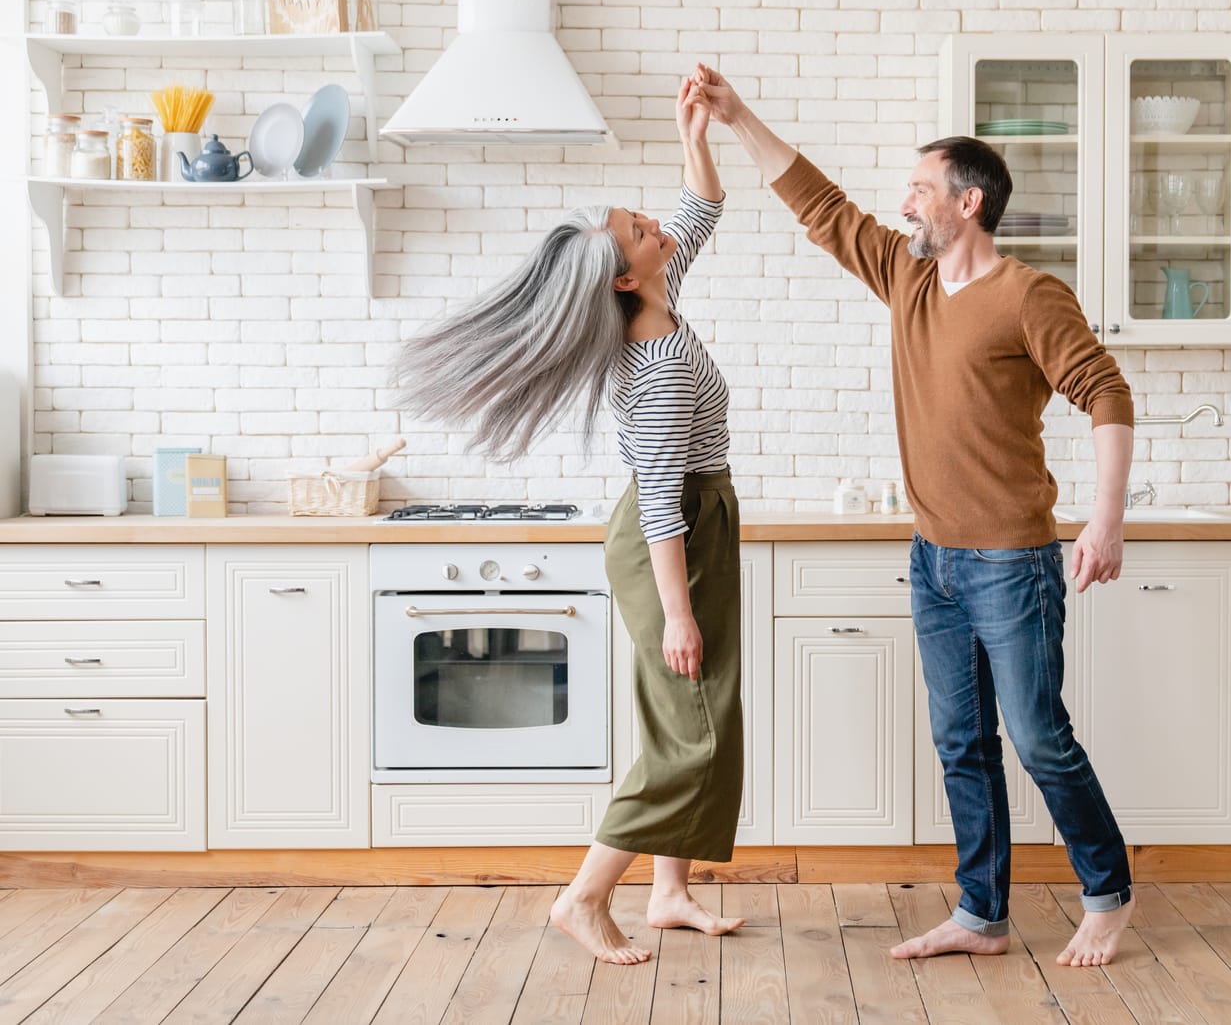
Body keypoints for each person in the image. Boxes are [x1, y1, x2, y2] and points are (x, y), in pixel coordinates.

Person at [692, 64, 1137, 967]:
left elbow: (1106, 392)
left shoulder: (1029, 295)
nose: (904, 205)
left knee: (1039, 737)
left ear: (968, 204)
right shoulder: (908, 277)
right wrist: (736, 117)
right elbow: (821, 205)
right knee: (961, 742)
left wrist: (1106, 520)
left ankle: (1108, 892)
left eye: (920, 191)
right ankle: (982, 914)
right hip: (934, 557)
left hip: (1012, 562)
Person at [394, 77, 743, 966]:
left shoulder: (654, 289)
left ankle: (669, 891)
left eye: (640, 219)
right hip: (675, 534)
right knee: (693, 728)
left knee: (683, 716)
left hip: (691, 521)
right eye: (640, 229)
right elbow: (659, 501)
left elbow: (700, 209)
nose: (655, 225)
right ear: (626, 274)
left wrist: (693, 133)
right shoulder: (658, 364)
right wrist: (679, 614)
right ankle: (583, 897)